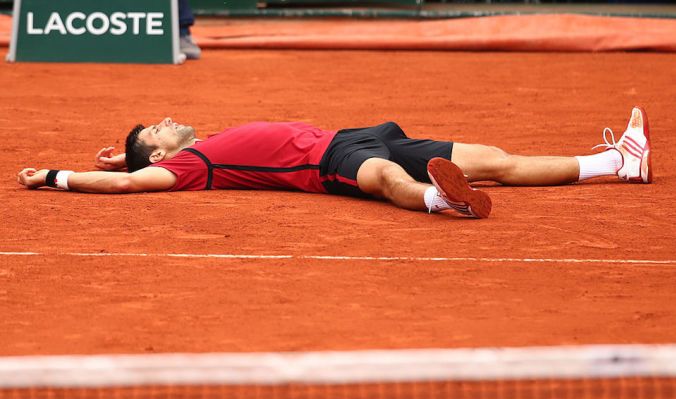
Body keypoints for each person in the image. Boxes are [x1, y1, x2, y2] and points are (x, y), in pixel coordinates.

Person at [16, 107, 653, 219]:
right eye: (156, 128)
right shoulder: (187, 168)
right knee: (384, 183)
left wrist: (121, 147)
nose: (166, 118)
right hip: (334, 162)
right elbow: (124, 184)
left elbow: (125, 161)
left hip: (359, 133)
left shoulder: (190, 147)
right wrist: (56, 176)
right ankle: (439, 200)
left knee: (494, 159)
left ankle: (617, 163)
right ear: (159, 154)